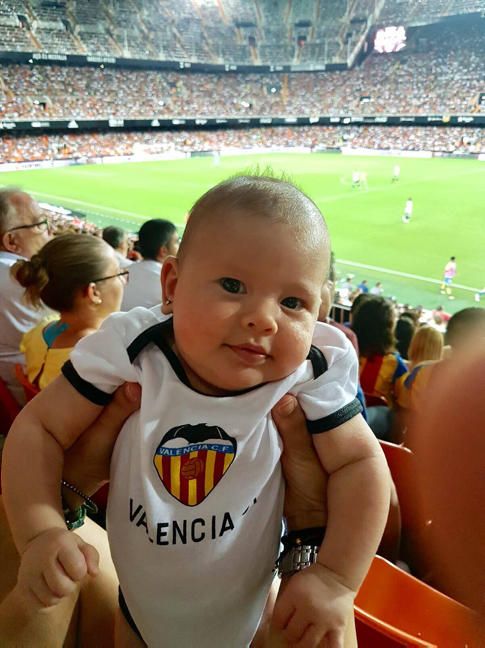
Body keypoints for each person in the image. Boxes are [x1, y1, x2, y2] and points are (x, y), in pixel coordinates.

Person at [3, 175, 389, 648]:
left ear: (319, 312)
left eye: (293, 302)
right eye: (233, 285)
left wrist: (334, 578)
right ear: (173, 284)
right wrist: (40, 530)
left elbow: (363, 464)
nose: (264, 318)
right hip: (137, 610)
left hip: (253, 610)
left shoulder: (310, 372)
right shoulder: (132, 348)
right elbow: (39, 427)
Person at [11, 233, 127, 391]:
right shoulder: (99, 356)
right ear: (94, 292)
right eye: (119, 274)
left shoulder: (38, 331)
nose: (123, 281)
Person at [0, 189, 51, 402]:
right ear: (12, 241)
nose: (49, 232)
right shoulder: (23, 282)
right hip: (33, 396)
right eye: (40, 224)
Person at [121, 219, 179, 311]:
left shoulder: (122, 273)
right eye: (176, 242)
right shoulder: (170, 283)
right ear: (163, 251)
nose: (179, 246)